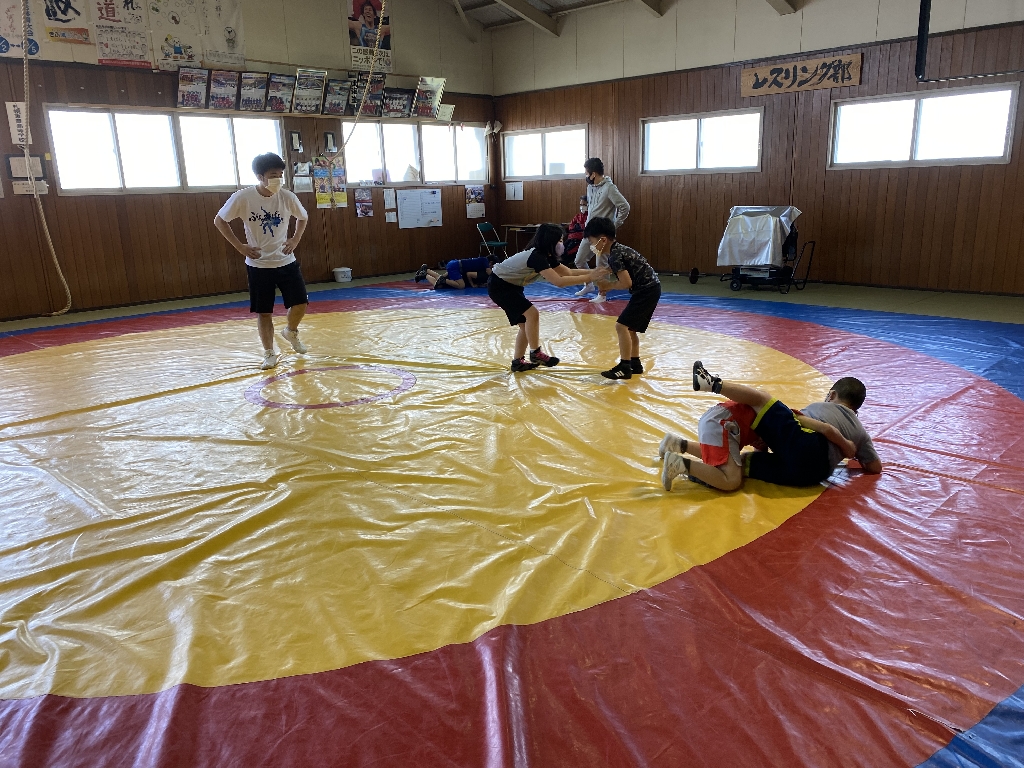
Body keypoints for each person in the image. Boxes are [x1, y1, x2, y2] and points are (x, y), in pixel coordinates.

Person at [662, 364, 883, 489]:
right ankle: (684, 453)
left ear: (831, 395)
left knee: (762, 399)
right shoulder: (861, 432)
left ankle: (713, 384)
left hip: (805, 446)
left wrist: (839, 440)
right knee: (737, 464)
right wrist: (848, 448)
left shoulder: (820, 407)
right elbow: (875, 467)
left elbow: (819, 428)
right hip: (811, 476)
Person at [214, 153, 309, 370]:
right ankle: (269, 352)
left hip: (286, 260)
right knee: (264, 311)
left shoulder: (287, 197)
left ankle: (290, 331)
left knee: (301, 303)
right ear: (260, 176)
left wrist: (295, 239)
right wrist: (240, 247)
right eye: (273, 175)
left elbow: (303, 217)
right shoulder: (244, 197)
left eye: (281, 175)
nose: (278, 179)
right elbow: (219, 220)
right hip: (259, 264)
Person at [488, 223, 607, 372]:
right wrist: (590, 277)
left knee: (525, 324)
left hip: (509, 286)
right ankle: (535, 353)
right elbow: (559, 282)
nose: (562, 244)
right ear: (550, 241)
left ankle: (518, 362)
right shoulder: (537, 257)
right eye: (560, 240)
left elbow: (568, 272)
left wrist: (596, 272)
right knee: (532, 314)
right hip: (500, 286)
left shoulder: (545, 255)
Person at [584, 218, 661, 380]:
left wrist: (608, 285)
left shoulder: (615, 255)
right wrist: (604, 272)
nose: (592, 246)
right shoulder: (619, 250)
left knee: (621, 326)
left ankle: (625, 367)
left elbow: (626, 283)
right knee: (630, 328)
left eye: (592, 242)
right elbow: (624, 267)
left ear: (603, 240)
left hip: (646, 291)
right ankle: (635, 364)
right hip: (651, 288)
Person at [575, 158, 630, 304]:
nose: (586, 175)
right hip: (590, 230)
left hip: (603, 234)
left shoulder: (609, 188)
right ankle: (589, 284)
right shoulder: (590, 188)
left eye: (586, 173)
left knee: (601, 265)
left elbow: (625, 206)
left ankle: (602, 294)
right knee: (579, 260)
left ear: (593, 174)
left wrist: (614, 225)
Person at [414, 256, 492, 290]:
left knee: (440, 280)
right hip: (456, 267)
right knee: (461, 286)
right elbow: (488, 271)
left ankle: (426, 272)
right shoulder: (484, 261)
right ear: (491, 262)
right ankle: (427, 273)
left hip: (455, 265)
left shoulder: (481, 262)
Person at [563, 195, 588, 267]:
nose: (582, 207)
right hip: (571, 238)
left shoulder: (589, 216)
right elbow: (571, 226)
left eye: (584, 205)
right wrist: (577, 227)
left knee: (567, 254)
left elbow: (585, 228)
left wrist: (579, 227)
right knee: (561, 251)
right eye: (581, 205)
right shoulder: (578, 216)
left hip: (579, 239)